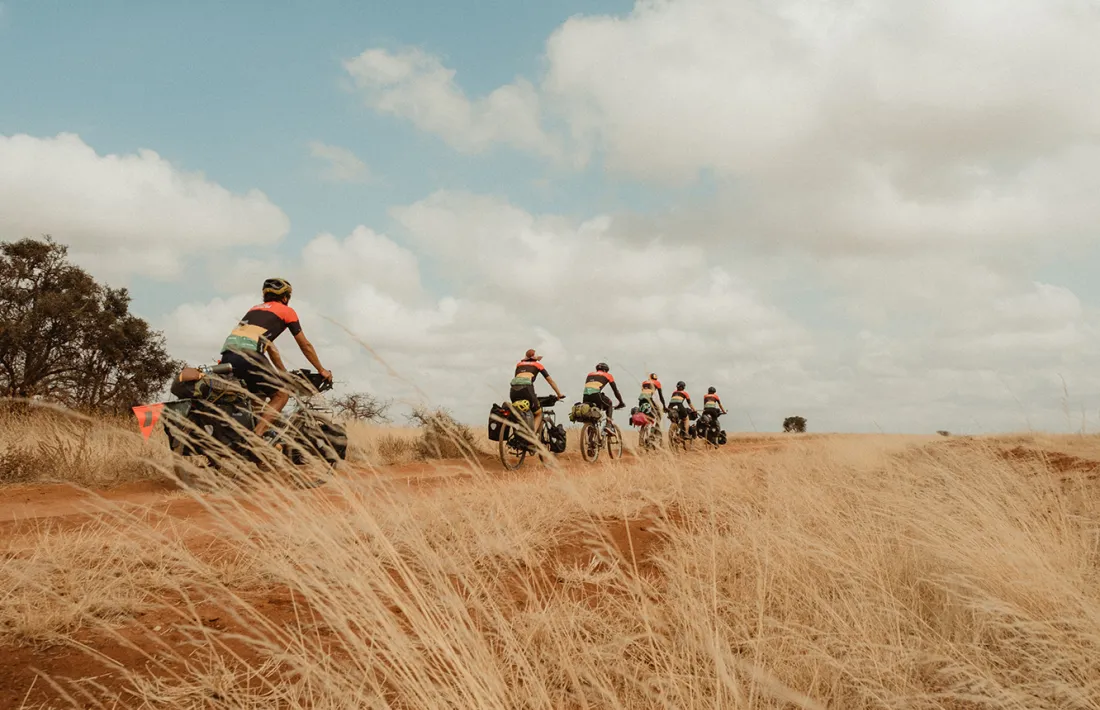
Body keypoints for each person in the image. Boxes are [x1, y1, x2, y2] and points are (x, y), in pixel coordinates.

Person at [219, 278, 332, 437]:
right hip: (250, 355)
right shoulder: (287, 311)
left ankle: (248, 443)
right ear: (285, 297)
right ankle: (256, 438)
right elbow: (304, 345)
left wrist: (282, 372)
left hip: (227, 356)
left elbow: (270, 347)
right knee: (281, 394)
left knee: (257, 397)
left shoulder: (254, 309)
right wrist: (321, 369)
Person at [509, 348, 564, 436]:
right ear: (535, 358)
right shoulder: (538, 365)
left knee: (518, 411)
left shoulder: (519, 365)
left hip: (513, 390)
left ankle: (518, 434)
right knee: (538, 413)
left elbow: (517, 379)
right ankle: (532, 437)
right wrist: (559, 394)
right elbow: (550, 381)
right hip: (527, 389)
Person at [583, 362, 626, 428]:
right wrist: (621, 402)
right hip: (596, 395)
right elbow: (615, 391)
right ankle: (608, 426)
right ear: (605, 370)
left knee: (592, 416)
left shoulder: (590, 374)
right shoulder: (608, 375)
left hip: (585, 397)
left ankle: (590, 431)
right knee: (609, 404)